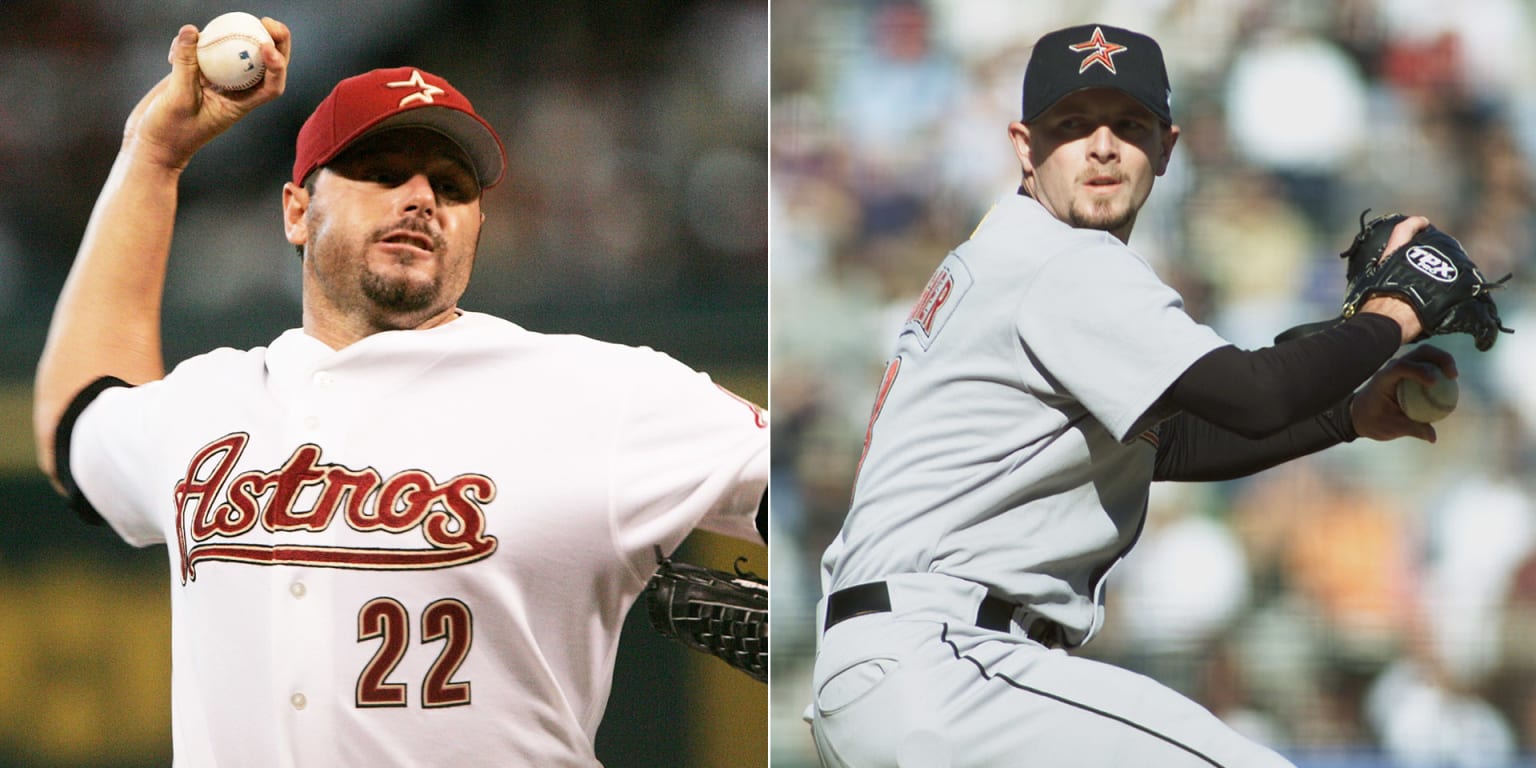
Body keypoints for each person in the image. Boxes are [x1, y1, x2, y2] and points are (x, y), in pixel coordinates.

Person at [31, 18, 768, 767]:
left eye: (450, 186)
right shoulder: (210, 402)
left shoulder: (598, 393)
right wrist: (153, 155)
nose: (420, 197)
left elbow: (829, 490)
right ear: (296, 211)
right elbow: (75, 423)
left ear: (476, 229)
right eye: (383, 172)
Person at [806, 23, 1476, 767]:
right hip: (948, 666)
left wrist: (1349, 413)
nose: (1101, 146)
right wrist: (1393, 316)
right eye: (1072, 124)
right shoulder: (1061, 261)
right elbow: (1253, 395)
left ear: (1165, 148)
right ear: (1025, 147)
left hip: (897, 675)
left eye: (1128, 125)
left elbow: (1176, 439)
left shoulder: (1007, 257)